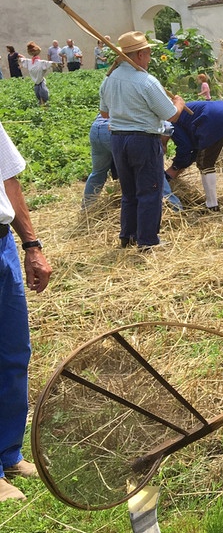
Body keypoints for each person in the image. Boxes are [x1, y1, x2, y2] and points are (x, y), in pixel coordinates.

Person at [0, 121, 52, 503]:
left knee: (14, 355)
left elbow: (8, 179)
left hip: (2, 246)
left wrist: (31, 245)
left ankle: (8, 454)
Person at [99, 31, 186, 251]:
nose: (149, 58)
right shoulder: (146, 81)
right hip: (143, 140)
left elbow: (105, 114)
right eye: (147, 54)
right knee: (149, 190)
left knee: (129, 192)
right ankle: (148, 241)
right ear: (140, 55)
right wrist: (179, 103)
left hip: (118, 140)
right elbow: (171, 115)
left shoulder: (109, 79)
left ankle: (128, 236)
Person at [164, 100, 223, 211]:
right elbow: (193, 147)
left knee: (205, 163)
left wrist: (175, 167)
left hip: (214, 118)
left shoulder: (170, 121)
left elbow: (185, 148)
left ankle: (211, 205)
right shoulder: (180, 111)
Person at [18, 42, 56, 107]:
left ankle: (44, 107)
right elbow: (21, 60)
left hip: (40, 81)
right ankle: (43, 107)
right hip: (37, 82)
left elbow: (51, 63)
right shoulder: (31, 62)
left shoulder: (39, 63)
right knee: (40, 97)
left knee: (43, 97)